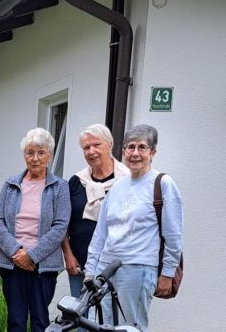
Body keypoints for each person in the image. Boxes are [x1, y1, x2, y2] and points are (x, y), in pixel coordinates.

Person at [84, 125, 183, 331]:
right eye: (130, 147)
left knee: (130, 328)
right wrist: (90, 271)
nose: (135, 153)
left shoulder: (163, 183)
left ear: (152, 152)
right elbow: (101, 234)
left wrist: (167, 273)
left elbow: (173, 235)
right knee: (99, 326)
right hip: (106, 270)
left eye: (142, 147)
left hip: (138, 268)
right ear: (123, 153)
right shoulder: (117, 186)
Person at [0, 127, 69, 332]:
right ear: (24, 155)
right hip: (12, 262)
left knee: (40, 320)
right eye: (30, 152)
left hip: (42, 266)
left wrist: (32, 256)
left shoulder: (60, 187)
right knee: (15, 320)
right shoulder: (10, 185)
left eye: (41, 153)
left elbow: (60, 226)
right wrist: (17, 252)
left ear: (49, 156)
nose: (35, 158)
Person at [62, 123, 130, 328]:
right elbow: (63, 222)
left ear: (110, 145)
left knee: (112, 320)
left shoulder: (127, 180)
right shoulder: (76, 181)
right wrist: (68, 255)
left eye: (96, 145)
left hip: (116, 266)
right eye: (86, 147)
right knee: (82, 320)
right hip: (80, 264)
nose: (91, 151)